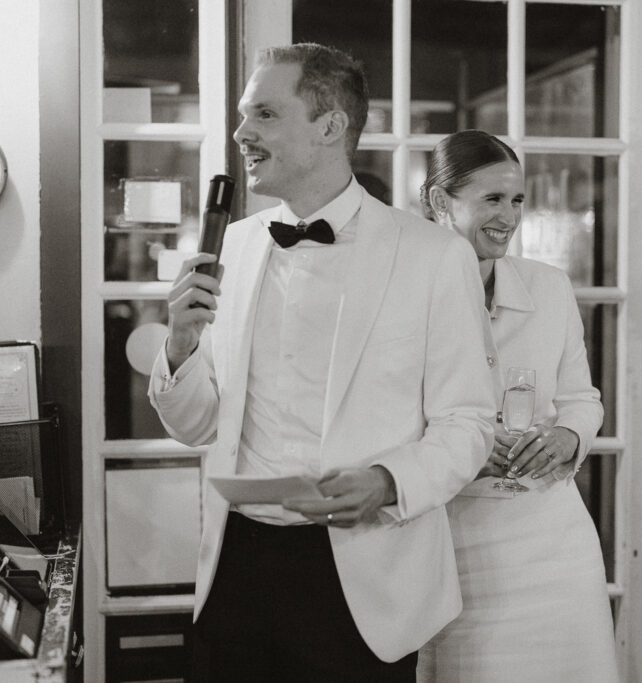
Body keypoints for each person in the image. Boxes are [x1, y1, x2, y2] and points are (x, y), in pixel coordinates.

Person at [148, 45, 496, 681]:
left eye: (265, 114)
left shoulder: (432, 257)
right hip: (236, 565)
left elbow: (469, 422)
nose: (241, 133)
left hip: (361, 574)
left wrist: (388, 482)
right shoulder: (236, 244)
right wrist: (179, 346)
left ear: (330, 127)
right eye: (242, 116)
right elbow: (194, 427)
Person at [416, 130, 620, 682]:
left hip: (554, 539)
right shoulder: (404, 295)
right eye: (492, 199)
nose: (509, 216)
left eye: (517, 200)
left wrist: (569, 438)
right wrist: (461, 450)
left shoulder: (549, 288)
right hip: (452, 537)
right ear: (440, 201)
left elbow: (583, 398)